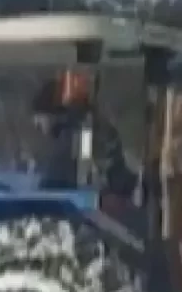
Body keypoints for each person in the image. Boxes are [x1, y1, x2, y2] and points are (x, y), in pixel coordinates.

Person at [30, 70, 138, 200]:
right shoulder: (92, 128)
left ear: (53, 114)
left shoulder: (76, 137)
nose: (36, 123)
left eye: (39, 116)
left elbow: (52, 187)